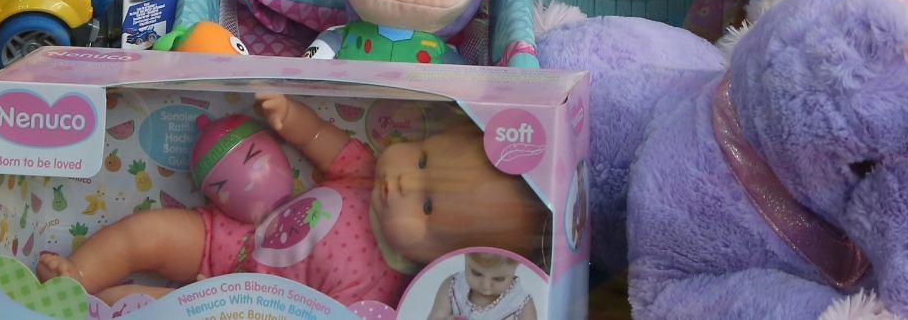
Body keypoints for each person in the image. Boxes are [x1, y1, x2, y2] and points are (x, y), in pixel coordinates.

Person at [33, 93, 544, 309]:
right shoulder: (366, 172)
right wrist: (290, 117)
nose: (406, 182)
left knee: (143, 306)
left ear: (443, 261)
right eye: (424, 160)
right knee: (146, 233)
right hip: (230, 236)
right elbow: (319, 139)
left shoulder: (381, 293)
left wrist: (221, 300)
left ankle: (91, 308)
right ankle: (76, 278)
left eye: (427, 207)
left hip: (236, 306)